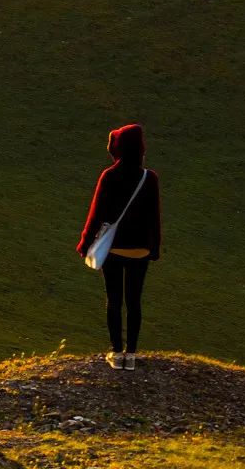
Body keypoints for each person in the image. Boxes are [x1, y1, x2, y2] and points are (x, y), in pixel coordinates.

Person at [76, 122, 162, 370]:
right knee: (134, 301)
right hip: (141, 251)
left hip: (113, 249)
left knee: (114, 300)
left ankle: (115, 353)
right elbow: (154, 217)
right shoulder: (150, 178)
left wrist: (85, 243)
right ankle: (131, 355)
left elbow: (96, 214)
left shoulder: (110, 176)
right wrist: (154, 248)